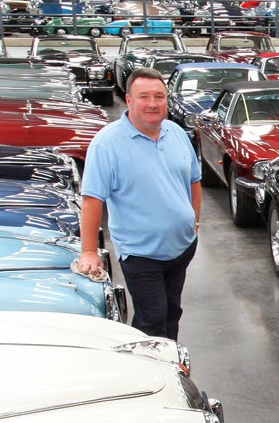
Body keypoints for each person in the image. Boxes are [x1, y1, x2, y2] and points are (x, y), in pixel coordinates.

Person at [74, 66, 200, 340]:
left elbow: (194, 180)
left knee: (172, 311)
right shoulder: (107, 143)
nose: (153, 104)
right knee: (151, 318)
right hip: (141, 253)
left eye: (159, 96)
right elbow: (92, 199)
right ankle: (150, 363)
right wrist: (89, 252)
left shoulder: (176, 133)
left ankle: (171, 358)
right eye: (144, 97)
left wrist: (194, 221)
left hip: (181, 248)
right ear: (129, 100)